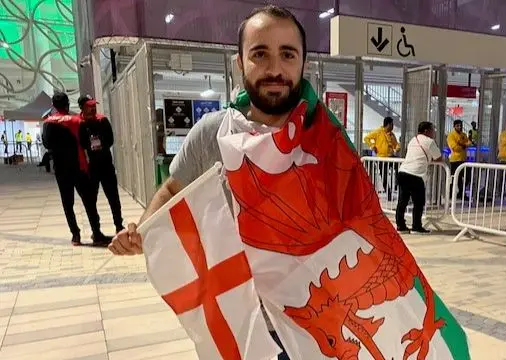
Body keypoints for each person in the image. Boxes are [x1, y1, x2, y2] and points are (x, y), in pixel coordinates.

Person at [108, 6, 318, 358]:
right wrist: (143, 232)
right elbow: (173, 189)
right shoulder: (212, 134)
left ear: (302, 64)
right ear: (240, 63)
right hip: (240, 318)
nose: (274, 68)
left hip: (311, 317)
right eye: (260, 54)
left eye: (287, 54)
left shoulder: (325, 143)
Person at [43, 91, 110, 246]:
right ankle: (96, 232)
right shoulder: (76, 122)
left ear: (53, 106)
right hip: (79, 167)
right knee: (89, 201)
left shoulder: (48, 123)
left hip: (61, 170)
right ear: (67, 105)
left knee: (68, 203)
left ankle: (76, 235)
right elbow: (86, 143)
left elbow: (47, 145)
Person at [78, 95, 124, 233]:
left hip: (106, 165)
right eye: (89, 106)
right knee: (91, 200)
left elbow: (110, 140)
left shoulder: (102, 121)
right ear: (82, 108)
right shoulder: (80, 124)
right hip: (91, 168)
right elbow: (81, 143)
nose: (92, 109)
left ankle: (118, 225)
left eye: (94, 106)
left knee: (113, 197)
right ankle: (96, 231)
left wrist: (100, 145)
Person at [395, 121, 442, 234]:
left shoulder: (413, 139)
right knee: (418, 202)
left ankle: (401, 226)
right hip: (416, 175)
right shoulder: (430, 142)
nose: (434, 132)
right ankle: (416, 226)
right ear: (426, 131)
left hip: (402, 172)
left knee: (402, 201)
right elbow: (439, 158)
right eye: (432, 129)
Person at [364, 117, 400, 199]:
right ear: (388, 124)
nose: (393, 126)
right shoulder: (378, 132)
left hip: (391, 157)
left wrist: (397, 148)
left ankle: (397, 184)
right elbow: (366, 138)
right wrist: (372, 146)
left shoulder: (392, 135)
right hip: (381, 158)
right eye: (392, 124)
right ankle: (389, 194)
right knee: (384, 176)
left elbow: (396, 144)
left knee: (399, 169)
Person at [447, 119, 472, 199]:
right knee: (455, 178)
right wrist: (463, 145)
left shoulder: (463, 134)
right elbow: (454, 147)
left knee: (466, 177)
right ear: (454, 126)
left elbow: (469, 143)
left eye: (460, 125)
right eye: (457, 126)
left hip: (463, 159)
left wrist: (462, 144)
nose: (459, 127)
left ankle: (461, 193)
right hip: (455, 160)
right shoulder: (451, 135)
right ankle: (452, 194)